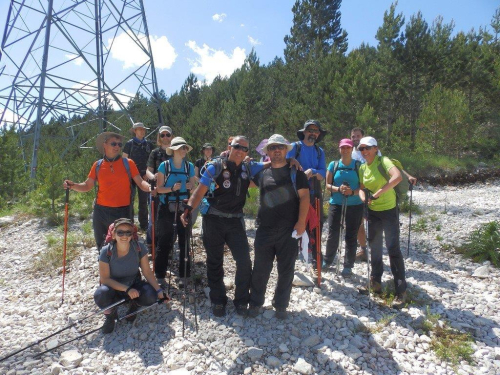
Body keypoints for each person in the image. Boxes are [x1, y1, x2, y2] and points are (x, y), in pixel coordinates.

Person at [180, 136, 265, 318]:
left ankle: (241, 300)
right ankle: (218, 300)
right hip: (214, 220)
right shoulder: (215, 167)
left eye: (245, 148)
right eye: (237, 147)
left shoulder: (248, 168)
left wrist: (291, 160)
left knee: (244, 262)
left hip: (235, 221)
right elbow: (199, 191)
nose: (241, 150)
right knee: (214, 261)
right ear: (230, 147)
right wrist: (188, 210)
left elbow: (271, 163)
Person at [247, 134, 309, 320]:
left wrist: (301, 223)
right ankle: (256, 303)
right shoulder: (262, 173)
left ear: (285, 150)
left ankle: (281, 305)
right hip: (265, 228)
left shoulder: (296, 173)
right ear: (268, 152)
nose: (276, 151)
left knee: (286, 269)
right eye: (272, 148)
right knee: (260, 269)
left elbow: (305, 198)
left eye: (280, 147)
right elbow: (244, 180)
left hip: (288, 229)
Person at [63, 132, 151, 250]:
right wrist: (73, 186)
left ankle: (123, 267)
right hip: (101, 212)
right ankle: (104, 266)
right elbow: (87, 185)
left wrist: (150, 188)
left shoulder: (128, 163)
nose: (117, 147)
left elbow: (140, 183)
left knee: (124, 246)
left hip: (123, 211)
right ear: (105, 145)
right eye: (113, 143)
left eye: (119, 144)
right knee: (102, 246)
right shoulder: (98, 165)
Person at [351, 128, 417, 262]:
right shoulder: (352, 153)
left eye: (358, 136)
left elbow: (391, 169)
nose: (355, 138)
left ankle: (378, 251)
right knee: (360, 223)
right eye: (353, 136)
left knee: (369, 223)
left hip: (378, 195)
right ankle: (364, 249)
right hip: (361, 191)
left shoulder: (378, 155)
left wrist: (407, 175)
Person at [94, 218, 170, 334]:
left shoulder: (139, 248)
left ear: (132, 235)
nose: (124, 236)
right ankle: (111, 316)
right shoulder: (106, 251)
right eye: (120, 232)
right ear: (114, 235)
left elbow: (147, 272)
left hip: (134, 284)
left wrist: (159, 291)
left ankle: (135, 305)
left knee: (150, 295)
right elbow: (105, 279)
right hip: (114, 288)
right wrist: (127, 289)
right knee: (101, 294)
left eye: (128, 232)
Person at [357, 136, 408, 308]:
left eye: (367, 148)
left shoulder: (383, 161)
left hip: (389, 211)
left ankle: (401, 290)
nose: (364, 151)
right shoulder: (363, 167)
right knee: (375, 247)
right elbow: (361, 189)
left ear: (375, 148)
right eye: (361, 149)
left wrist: (377, 193)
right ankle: (376, 282)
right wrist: (364, 198)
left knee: (393, 248)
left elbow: (397, 177)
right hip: (373, 213)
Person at [154, 137, 196, 288]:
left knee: (185, 241)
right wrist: (172, 189)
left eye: (185, 148)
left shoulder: (189, 166)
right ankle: (159, 275)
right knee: (164, 241)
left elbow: (193, 186)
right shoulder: (164, 166)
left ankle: (185, 275)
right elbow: (159, 189)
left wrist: (191, 185)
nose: (184, 150)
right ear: (173, 150)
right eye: (181, 148)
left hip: (183, 207)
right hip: (166, 208)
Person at [286, 119, 327, 275]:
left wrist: (313, 171)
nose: (313, 133)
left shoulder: (319, 151)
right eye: (310, 130)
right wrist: (291, 160)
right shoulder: (294, 147)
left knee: (317, 227)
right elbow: (284, 163)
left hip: (314, 193)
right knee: (293, 225)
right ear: (304, 132)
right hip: (295, 194)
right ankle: (289, 264)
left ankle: (317, 264)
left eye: (316, 131)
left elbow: (323, 172)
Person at [324, 139, 364, 277]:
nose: (345, 150)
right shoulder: (333, 165)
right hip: (336, 203)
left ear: (352, 149)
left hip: (355, 205)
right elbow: (327, 185)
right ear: (339, 149)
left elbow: (363, 187)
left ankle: (348, 265)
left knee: (351, 235)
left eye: (348, 148)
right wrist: (338, 189)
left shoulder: (359, 165)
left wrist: (352, 192)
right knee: (333, 233)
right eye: (343, 148)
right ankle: (328, 260)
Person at [145, 125, 173, 248]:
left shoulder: (176, 151)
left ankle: (168, 244)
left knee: (171, 219)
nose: (165, 137)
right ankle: (152, 244)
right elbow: (148, 171)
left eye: (168, 134)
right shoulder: (155, 153)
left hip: (173, 190)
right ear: (159, 137)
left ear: (172, 136)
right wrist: (153, 177)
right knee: (154, 219)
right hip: (156, 189)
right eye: (163, 135)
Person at [123, 122, 154, 231]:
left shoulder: (149, 144)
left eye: (143, 129)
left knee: (143, 201)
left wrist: (147, 173)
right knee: (129, 200)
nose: (142, 131)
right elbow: (124, 160)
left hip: (144, 176)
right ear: (135, 131)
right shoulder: (129, 144)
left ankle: (144, 225)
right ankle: (129, 224)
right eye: (139, 129)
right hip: (131, 177)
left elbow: (152, 161)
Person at [192, 143, 215, 224]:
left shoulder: (215, 162)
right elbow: (195, 176)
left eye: (210, 149)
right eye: (207, 149)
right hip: (200, 189)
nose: (208, 151)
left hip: (212, 190)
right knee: (195, 209)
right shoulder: (198, 162)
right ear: (203, 151)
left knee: (209, 211)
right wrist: (203, 182)